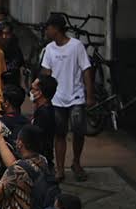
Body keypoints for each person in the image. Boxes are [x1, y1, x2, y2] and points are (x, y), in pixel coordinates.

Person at [41, 14, 95, 182]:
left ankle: (76, 163)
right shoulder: (49, 49)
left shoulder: (76, 46)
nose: (47, 31)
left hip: (76, 96)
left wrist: (89, 94)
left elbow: (86, 70)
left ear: (56, 29)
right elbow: (46, 73)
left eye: (48, 27)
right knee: (59, 133)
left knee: (79, 130)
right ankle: (59, 169)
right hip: (57, 99)